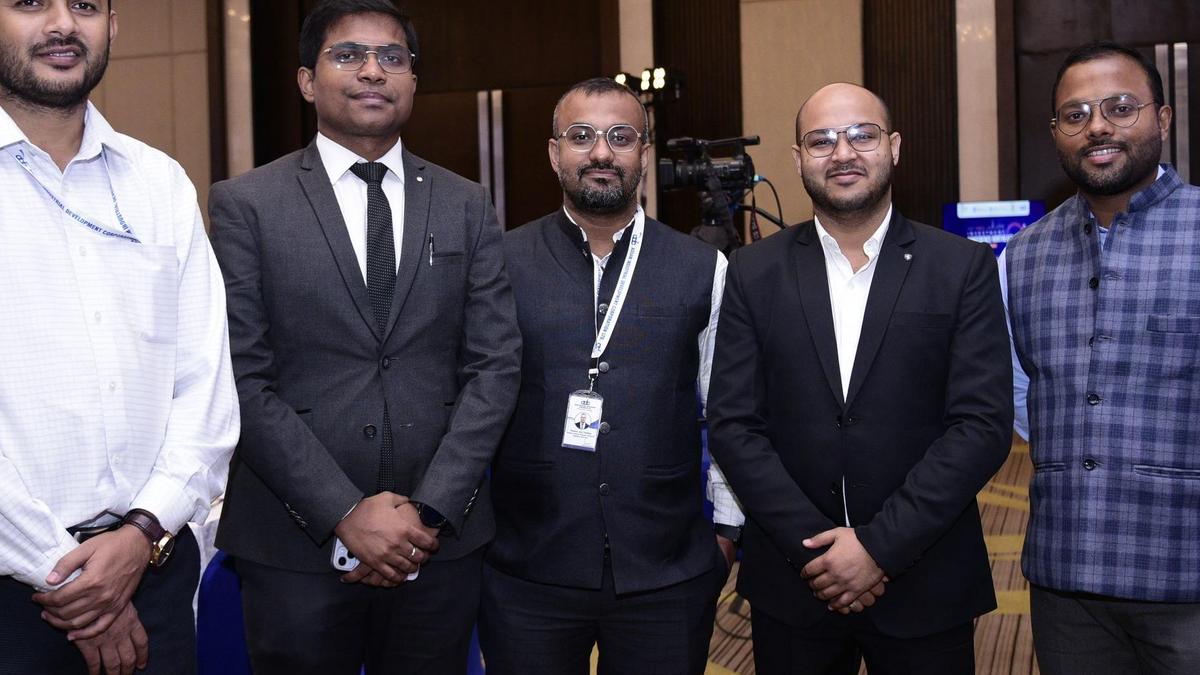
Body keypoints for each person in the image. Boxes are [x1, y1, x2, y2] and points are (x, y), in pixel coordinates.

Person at [207, 0, 521, 673]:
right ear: (306, 80)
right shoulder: (246, 204)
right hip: (294, 541)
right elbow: (242, 376)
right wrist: (344, 511)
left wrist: (428, 512)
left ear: (413, 80)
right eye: (348, 55)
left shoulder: (467, 203)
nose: (373, 71)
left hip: (437, 543)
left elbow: (495, 367)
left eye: (392, 57)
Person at [707, 82, 1013, 675]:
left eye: (861, 136)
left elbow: (981, 425)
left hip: (925, 579)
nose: (842, 152)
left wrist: (878, 547)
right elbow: (733, 424)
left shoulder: (961, 267)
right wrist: (817, 551)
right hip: (795, 582)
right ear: (798, 159)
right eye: (821, 140)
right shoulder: (751, 272)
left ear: (893, 147)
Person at [0, 1, 239, 674]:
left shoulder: (159, 184)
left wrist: (140, 534)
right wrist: (68, 577)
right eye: (29, 2)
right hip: (12, 590)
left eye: (85, 4)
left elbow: (206, 388)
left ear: (112, 24)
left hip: (152, 568)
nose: (62, 24)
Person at [477, 77, 744, 675]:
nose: (601, 152)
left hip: (666, 571)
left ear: (644, 155)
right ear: (554, 153)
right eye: (582, 136)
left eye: (621, 137)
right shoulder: (498, 262)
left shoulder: (704, 267)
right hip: (527, 570)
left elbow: (727, 407)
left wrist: (728, 529)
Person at [1001, 41, 1200, 675]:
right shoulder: (1024, 254)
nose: (1098, 127)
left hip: (1188, 576)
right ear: (1056, 132)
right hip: (1067, 579)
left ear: (1162, 119)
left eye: (1120, 107)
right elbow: (1020, 392)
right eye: (1076, 114)